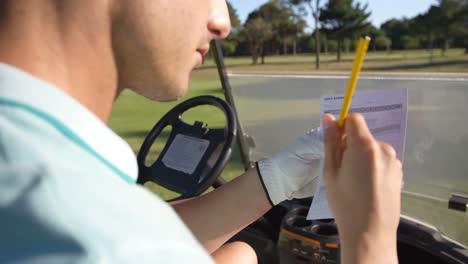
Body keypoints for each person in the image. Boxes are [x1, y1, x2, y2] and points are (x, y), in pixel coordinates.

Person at [0, 1, 402, 263]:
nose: (222, 22)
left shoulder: (34, 167)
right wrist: (373, 242)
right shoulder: (99, 244)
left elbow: (130, 222)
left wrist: (274, 180)